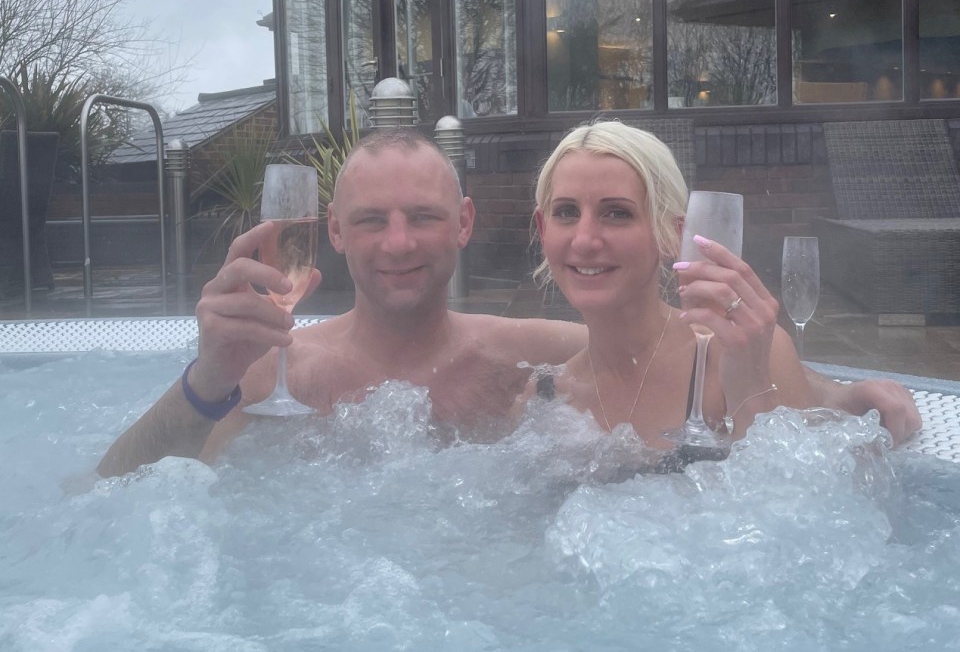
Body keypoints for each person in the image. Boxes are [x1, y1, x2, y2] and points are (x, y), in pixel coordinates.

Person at [98, 127, 920, 478]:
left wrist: (849, 395)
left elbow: (746, 395)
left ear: (463, 224)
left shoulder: (527, 361)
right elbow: (113, 495)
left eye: (421, 217)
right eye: (370, 221)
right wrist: (205, 376)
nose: (397, 243)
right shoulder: (267, 372)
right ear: (333, 234)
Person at [524, 120, 807, 457]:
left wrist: (751, 390)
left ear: (674, 234)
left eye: (617, 213)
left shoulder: (750, 354)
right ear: (543, 229)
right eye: (566, 212)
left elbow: (799, 500)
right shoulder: (543, 400)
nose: (584, 240)